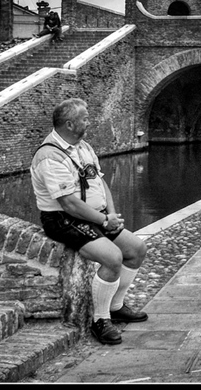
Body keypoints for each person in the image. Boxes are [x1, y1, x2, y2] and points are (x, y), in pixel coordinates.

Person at [30, 98, 149, 345]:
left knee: (137, 250)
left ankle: (116, 306)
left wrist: (111, 215)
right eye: (85, 118)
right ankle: (100, 320)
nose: (89, 121)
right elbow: (69, 204)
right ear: (70, 124)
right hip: (64, 219)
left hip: (97, 216)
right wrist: (104, 221)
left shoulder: (83, 147)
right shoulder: (50, 156)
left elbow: (100, 181)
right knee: (113, 257)